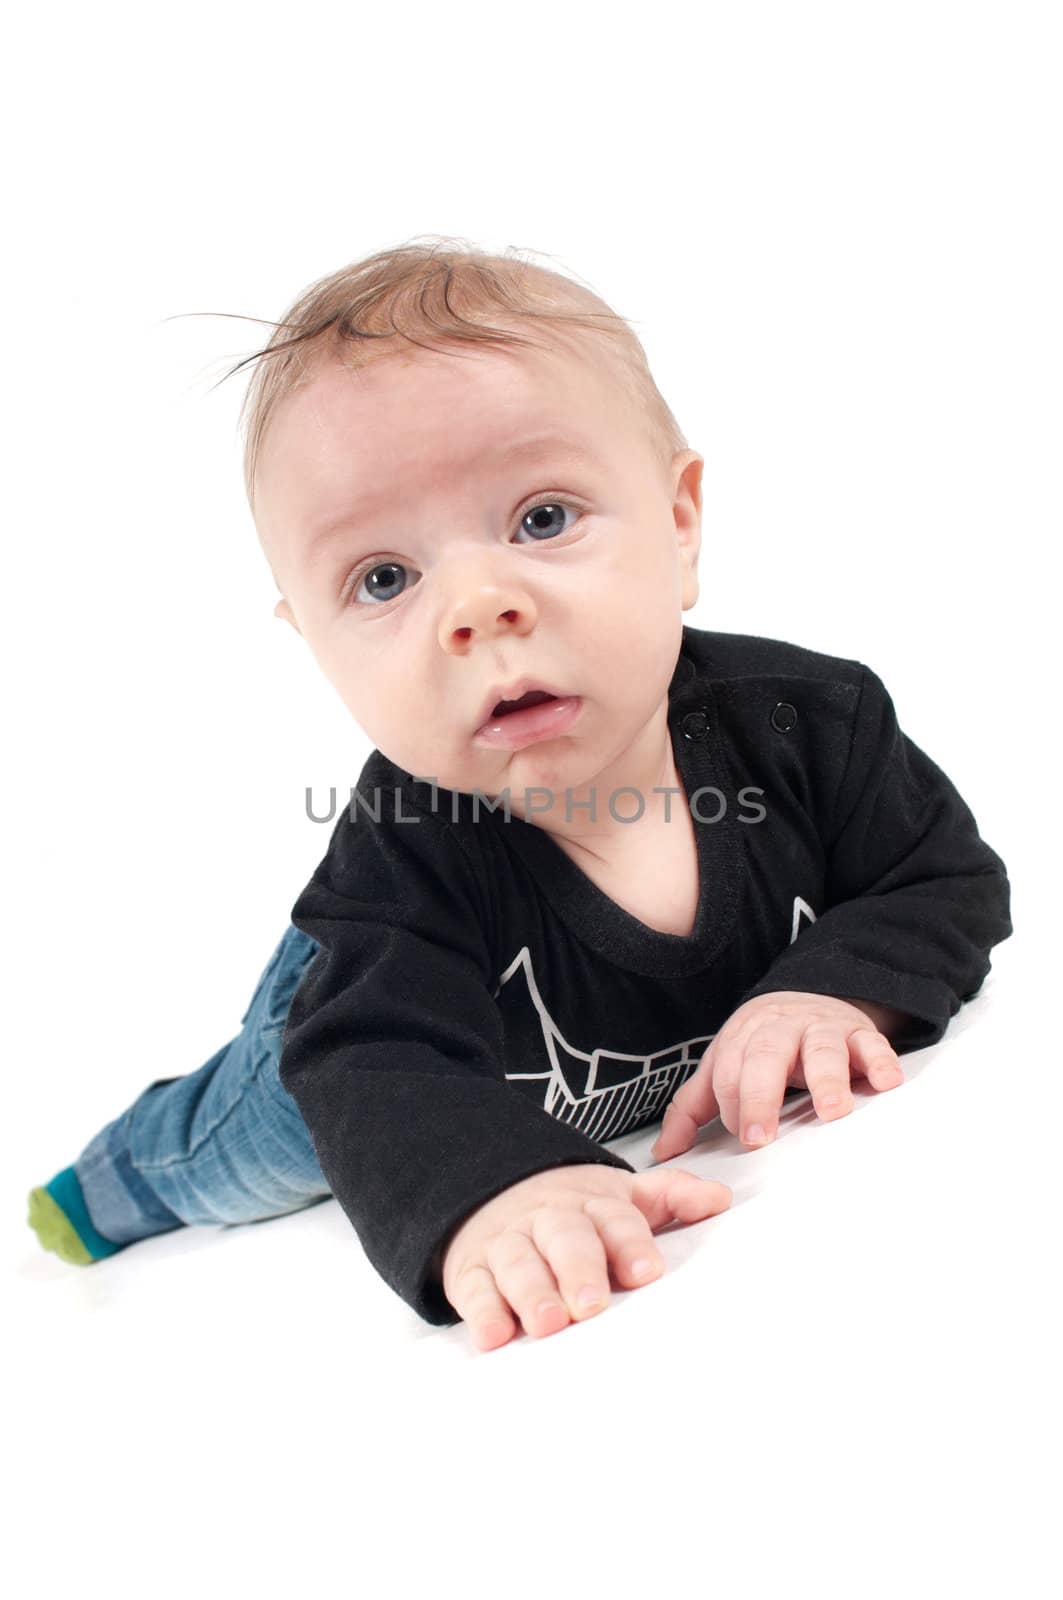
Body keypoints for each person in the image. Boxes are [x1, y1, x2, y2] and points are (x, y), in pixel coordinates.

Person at [27, 237, 1013, 1352]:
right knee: (241, 1148)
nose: (478, 604)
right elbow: (376, 1070)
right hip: (350, 1028)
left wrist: (836, 990)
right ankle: (102, 1186)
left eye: (542, 518)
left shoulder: (807, 725)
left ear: (680, 523)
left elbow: (940, 876)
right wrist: (497, 1187)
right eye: (383, 578)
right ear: (313, 641)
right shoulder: (406, 860)